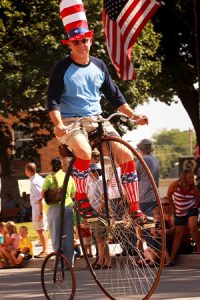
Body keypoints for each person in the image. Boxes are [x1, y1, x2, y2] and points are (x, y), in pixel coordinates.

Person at [48, 0, 151, 227]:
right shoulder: (61, 68)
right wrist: (58, 124)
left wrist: (134, 116)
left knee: (126, 154)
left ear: (90, 40)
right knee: (84, 152)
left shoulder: (99, 66)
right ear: (70, 45)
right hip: (70, 121)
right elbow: (52, 101)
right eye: (76, 42)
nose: (82, 45)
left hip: (97, 120)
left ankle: (134, 209)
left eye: (85, 40)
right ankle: (82, 199)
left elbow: (116, 98)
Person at [41, 157, 75, 266]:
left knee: (56, 236)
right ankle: (70, 263)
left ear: (52, 166)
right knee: (69, 236)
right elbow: (73, 194)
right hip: (69, 207)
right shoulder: (68, 177)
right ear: (62, 166)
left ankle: (59, 265)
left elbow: (42, 194)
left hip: (55, 209)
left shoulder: (49, 177)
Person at [167, 168, 200, 265]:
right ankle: (171, 259)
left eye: (192, 178)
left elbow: (199, 200)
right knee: (178, 235)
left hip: (192, 209)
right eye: (189, 178)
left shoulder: (193, 188)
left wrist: (195, 209)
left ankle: (199, 247)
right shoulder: (175, 185)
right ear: (184, 178)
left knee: (192, 226)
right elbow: (169, 195)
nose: (191, 180)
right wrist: (173, 208)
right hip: (180, 211)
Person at [25, 162, 48, 258]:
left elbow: (39, 197)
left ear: (27, 171)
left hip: (38, 207)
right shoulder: (39, 178)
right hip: (40, 206)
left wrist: (41, 212)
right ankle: (45, 249)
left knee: (40, 230)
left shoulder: (34, 182)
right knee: (42, 229)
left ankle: (44, 250)